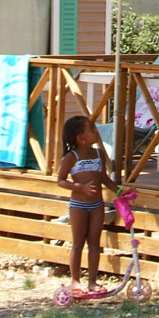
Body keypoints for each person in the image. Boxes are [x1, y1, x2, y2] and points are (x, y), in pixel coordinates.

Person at [56, 115, 119, 296]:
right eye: (91, 129)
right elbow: (60, 180)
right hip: (78, 206)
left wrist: (120, 192)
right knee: (78, 243)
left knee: (94, 243)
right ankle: (75, 280)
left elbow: (105, 179)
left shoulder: (99, 154)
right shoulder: (71, 157)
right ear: (80, 137)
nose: (96, 131)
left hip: (97, 205)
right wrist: (79, 187)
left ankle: (92, 281)